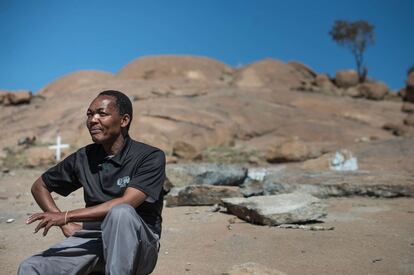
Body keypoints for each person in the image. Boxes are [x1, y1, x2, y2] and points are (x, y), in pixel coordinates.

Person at [18, 90, 166, 275]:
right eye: (89, 114)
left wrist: (66, 216)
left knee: (121, 213)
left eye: (101, 114)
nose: (93, 120)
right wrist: (65, 225)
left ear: (124, 120)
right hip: (93, 238)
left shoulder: (149, 156)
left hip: (139, 245)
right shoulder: (83, 157)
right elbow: (39, 186)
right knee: (32, 268)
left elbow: (126, 202)